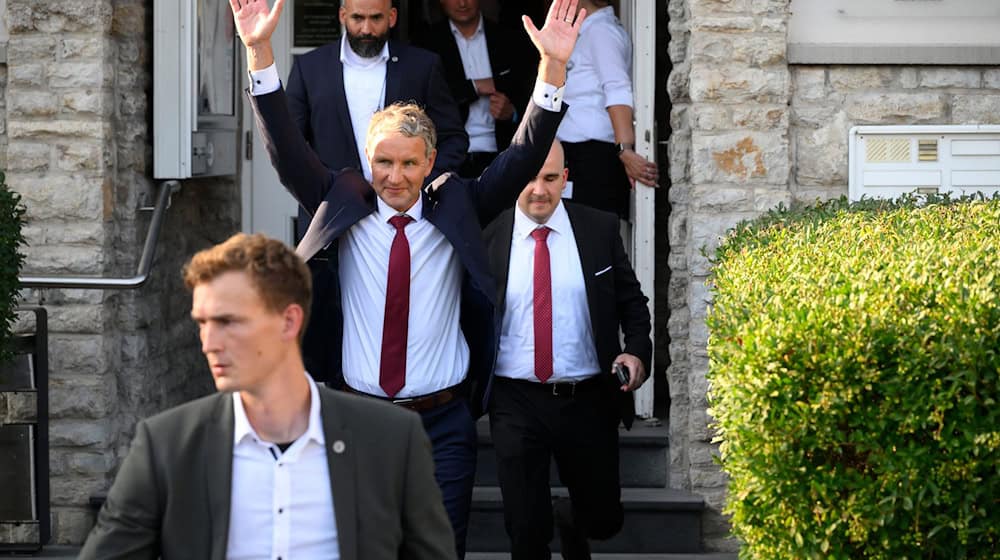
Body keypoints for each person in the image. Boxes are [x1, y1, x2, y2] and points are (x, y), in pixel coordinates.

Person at [228, 0, 587, 555]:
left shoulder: (458, 204)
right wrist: (258, 51)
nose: (395, 177)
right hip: (355, 419)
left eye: (409, 164)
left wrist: (552, 71)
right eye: (383, 163)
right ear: (367, 161)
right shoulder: (340, 202)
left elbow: (521, 157)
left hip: (442, 426)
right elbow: (285, 148)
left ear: (431, 161)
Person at [79, 233, 456, 559]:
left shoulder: (390, 440)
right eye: (202, 323)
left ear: (289, 321)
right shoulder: (167, 445)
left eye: (228, 321)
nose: (209, 343)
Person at [482, 139, 652, 559]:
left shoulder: (598, 228)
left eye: (550, 178)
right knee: (525, 528)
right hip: (515, 398)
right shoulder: (488, 233)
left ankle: (573, 521)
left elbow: (632, 303)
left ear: (566, 179)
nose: (539, 189)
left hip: (587, 397)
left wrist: (636, 352)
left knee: (603, 519)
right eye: (529, 177)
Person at [278, 0, 469, 240]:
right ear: (342, 15)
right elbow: (290, 146)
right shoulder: (309, 68)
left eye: (376, 18)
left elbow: (453, 139)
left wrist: (417, 185)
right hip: (330, 215)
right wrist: (317, 188)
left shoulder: (422, 66)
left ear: (392, 17)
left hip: (408, 216)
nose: (366, 29)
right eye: (358, 18)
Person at [556, 0, 658, 218]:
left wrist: (625, 149)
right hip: (578, 156)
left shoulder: (601, 32)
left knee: (590, 241)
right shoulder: (589, 30)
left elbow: (617, 88)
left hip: (593, 159)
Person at [415, 0, 536, 178]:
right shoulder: (427, 44)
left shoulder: (508, 39)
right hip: (448, 157)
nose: (462, 3)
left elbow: (527, 91)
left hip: (501, 154)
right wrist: (474, 87)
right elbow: (424, 99)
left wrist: (512, 113)